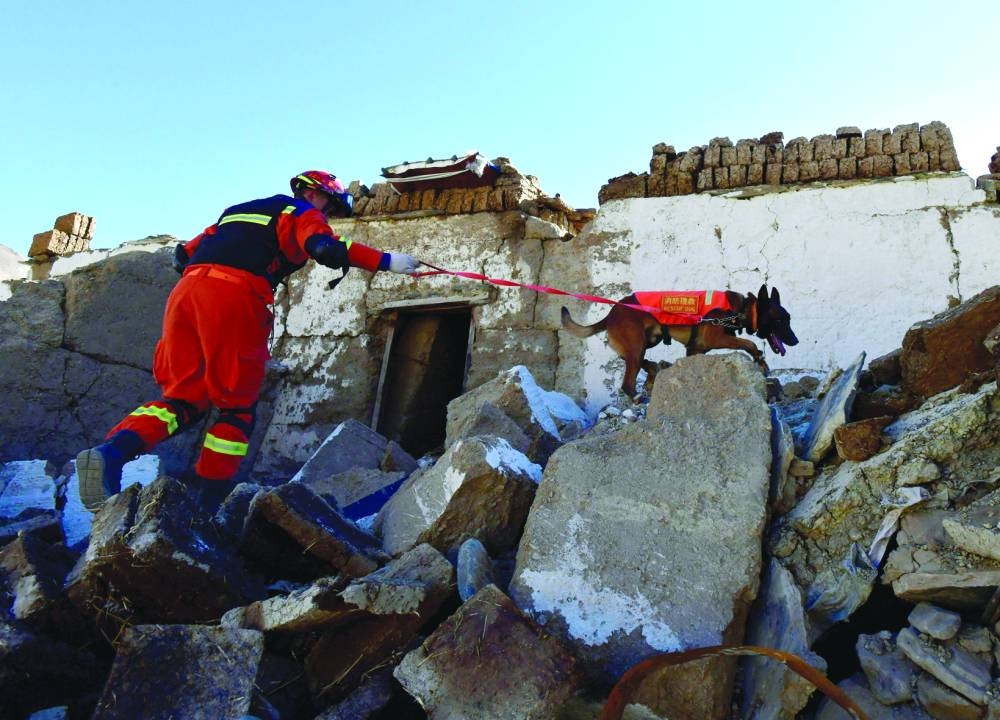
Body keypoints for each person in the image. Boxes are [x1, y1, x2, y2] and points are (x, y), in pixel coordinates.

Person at [76, 170, 419, 512]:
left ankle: (111, 454)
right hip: (235, 296)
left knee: (184, 398)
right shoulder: (303, 213)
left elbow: (182, 256)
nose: (328, 216)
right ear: (316, 195)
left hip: (186, 294)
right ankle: (209, 504)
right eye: (330, 208)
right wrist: (388, 261)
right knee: (236, 408)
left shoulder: (239, 211)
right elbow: (324, 247)